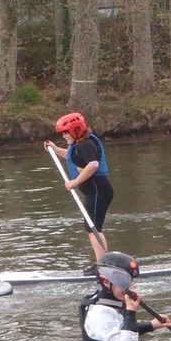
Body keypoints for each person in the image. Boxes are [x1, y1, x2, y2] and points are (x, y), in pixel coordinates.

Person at [44, 112, 114, 264]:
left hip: (98, 191)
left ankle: (102, 265)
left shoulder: (86, 145)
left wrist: (74, 183)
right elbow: (72, 156)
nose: (63, 136)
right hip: (95, 192)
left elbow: (93, 165)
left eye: (65, 133)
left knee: (93, 228)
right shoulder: (79, 145)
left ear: (75, 130)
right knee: (92, 228)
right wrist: (55, 149)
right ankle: (102, 263)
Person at [79, 251, 171, 341]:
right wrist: (130, 312)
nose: (129, 287)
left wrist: (151, 325)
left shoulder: (109, 300)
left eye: (130, 281)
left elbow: (120, 329)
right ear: (107, 283)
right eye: (124, 282)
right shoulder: (100, 313)